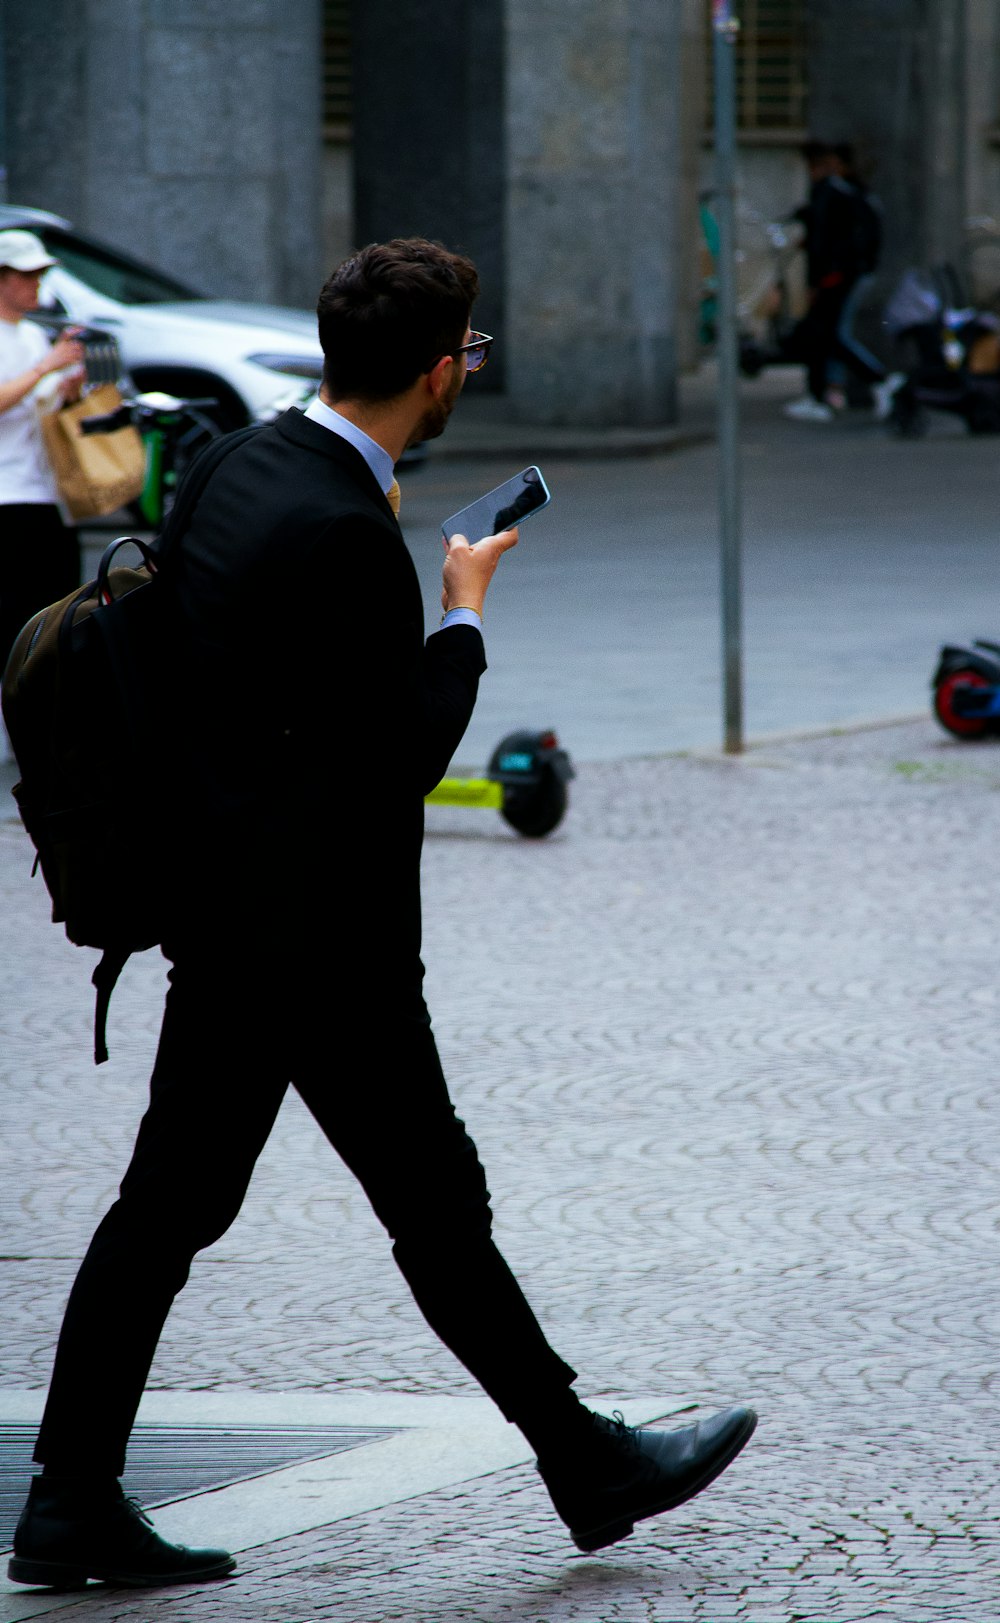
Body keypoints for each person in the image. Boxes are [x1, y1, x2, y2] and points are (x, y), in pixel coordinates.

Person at [9, 238, 756, 1591]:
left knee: (182, 1208)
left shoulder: (238, 460)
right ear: (432, 370)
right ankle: (584, 1457)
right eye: (466, 352)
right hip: (323, 942)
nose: (468, 371)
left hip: (227, 914)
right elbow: (399, 749)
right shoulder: (349, 533)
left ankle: (70, 1495)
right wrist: (462, 614)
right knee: (422, 1204)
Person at [0, 231, 85, 683]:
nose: (37, 283)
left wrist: (67, 389)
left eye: (41, 273)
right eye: (27, 274)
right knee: (11, 621)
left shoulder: (34, 335)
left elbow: (43, 406)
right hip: (6, 498)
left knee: (54, 618)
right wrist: (44, 369)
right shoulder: (33, 347)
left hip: (47, 494)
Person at [782, 141, 893, 422]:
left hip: (837, 275)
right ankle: (823, 393)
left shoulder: (836, 192)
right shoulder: (841, 192)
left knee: (828, 335)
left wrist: (818, 281)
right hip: (841, 273)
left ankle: (874, 381)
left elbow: (830, 239)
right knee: (825, 335)